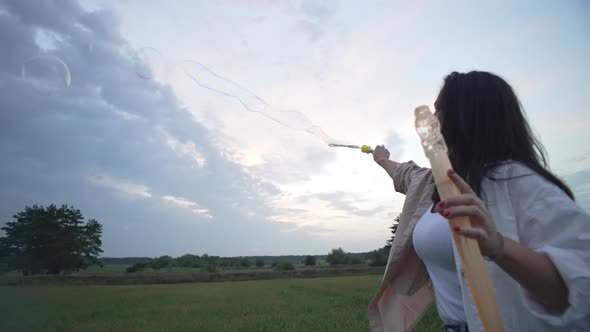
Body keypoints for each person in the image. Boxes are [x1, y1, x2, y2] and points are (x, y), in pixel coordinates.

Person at [367, 71, 590, 332]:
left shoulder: (522, 183)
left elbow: (578, 288)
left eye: (440, 109)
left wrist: (499, 246)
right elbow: (405, 174)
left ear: (469, 116)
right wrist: (381, 159)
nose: (432, 120)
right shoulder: (433, 182)